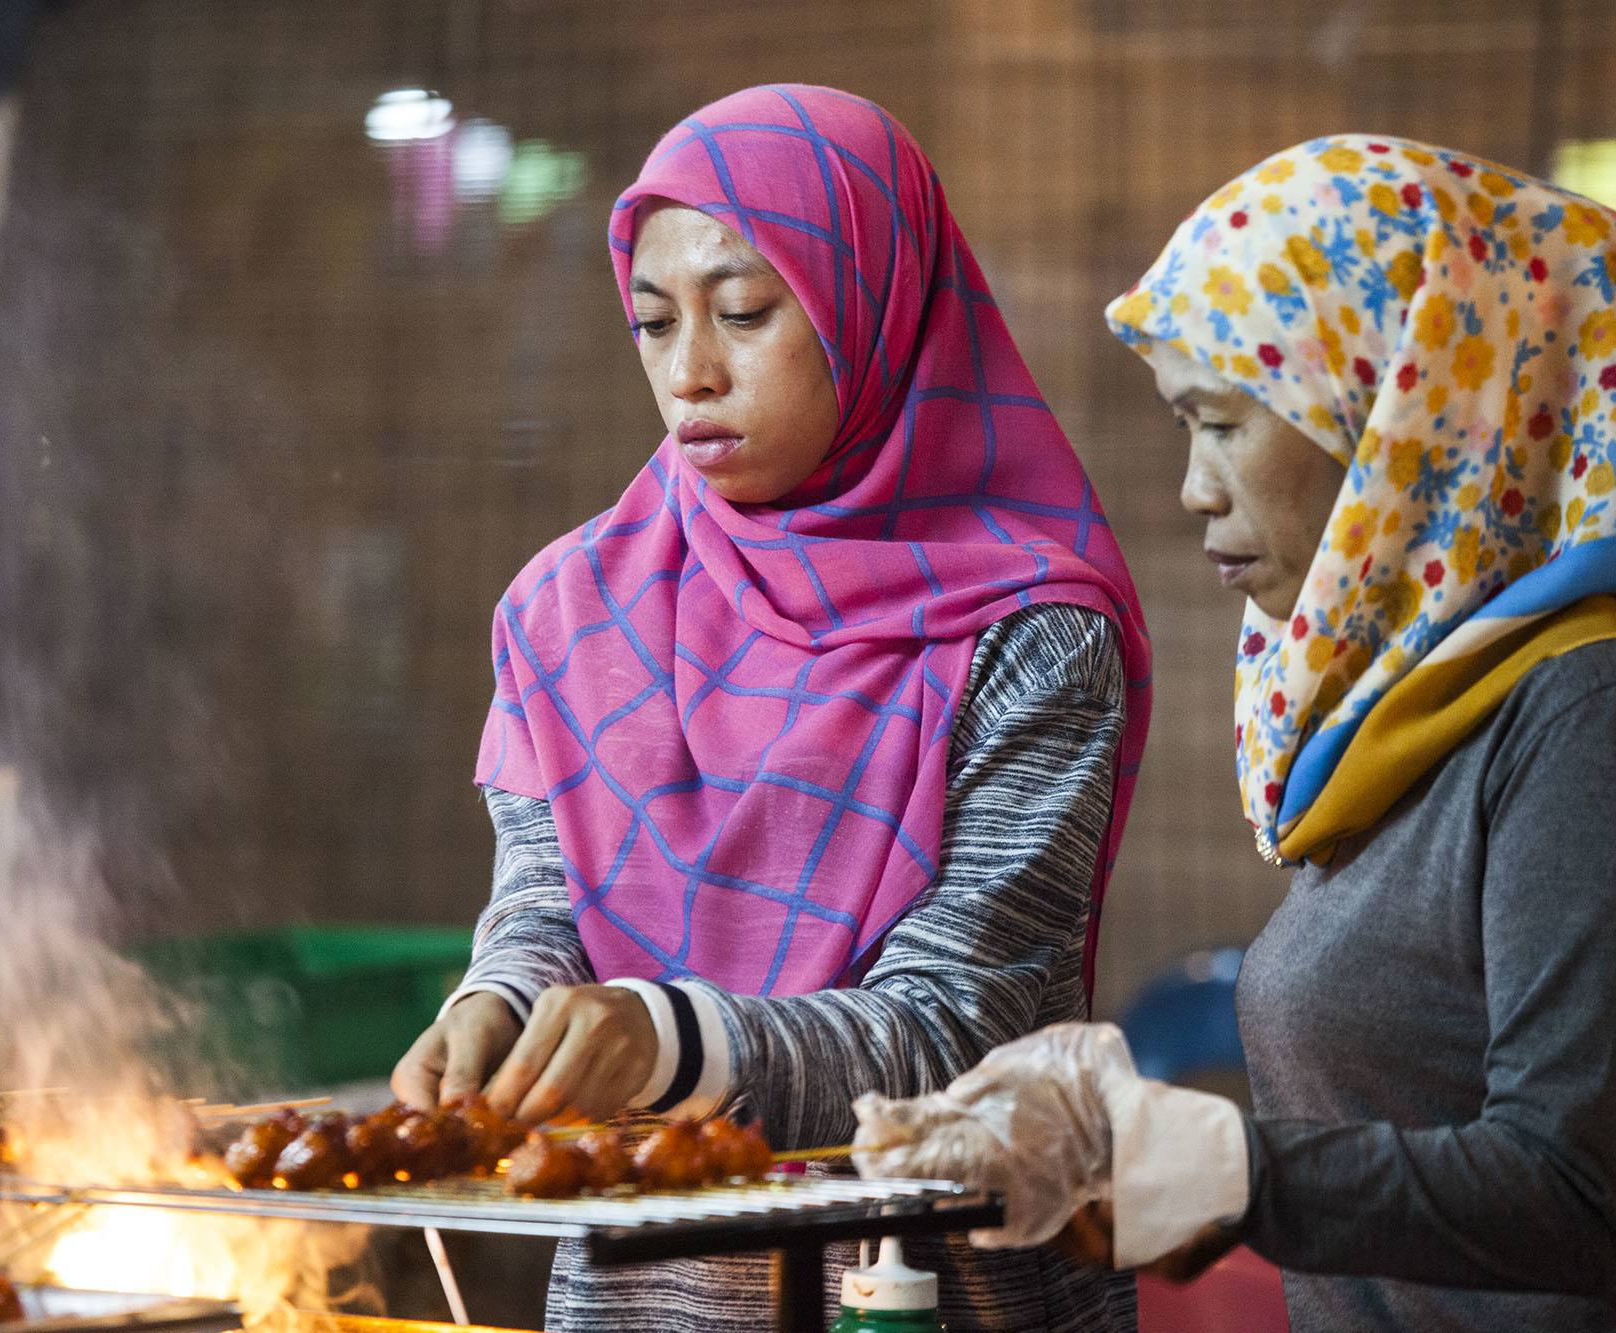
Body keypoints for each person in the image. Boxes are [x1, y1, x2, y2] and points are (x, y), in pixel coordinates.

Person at [853, 133, 1616, 1331]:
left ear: (1402, 409)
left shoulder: (1601, 705)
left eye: (1221, 421)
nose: (1191, 488)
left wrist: (1190, 1160)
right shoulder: (1415, 712)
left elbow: (1569, 1190)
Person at [390, 84, 1151, 1332]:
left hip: (941, 1295)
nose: (689, 372)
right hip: (649, 1299)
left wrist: (664, 1038)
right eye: (649, 322)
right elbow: (547, 905)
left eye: (744, 311)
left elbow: (961, 1031)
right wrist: (501, 1011)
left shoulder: (1025, 630)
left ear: (876, 303)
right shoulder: (569, 612)